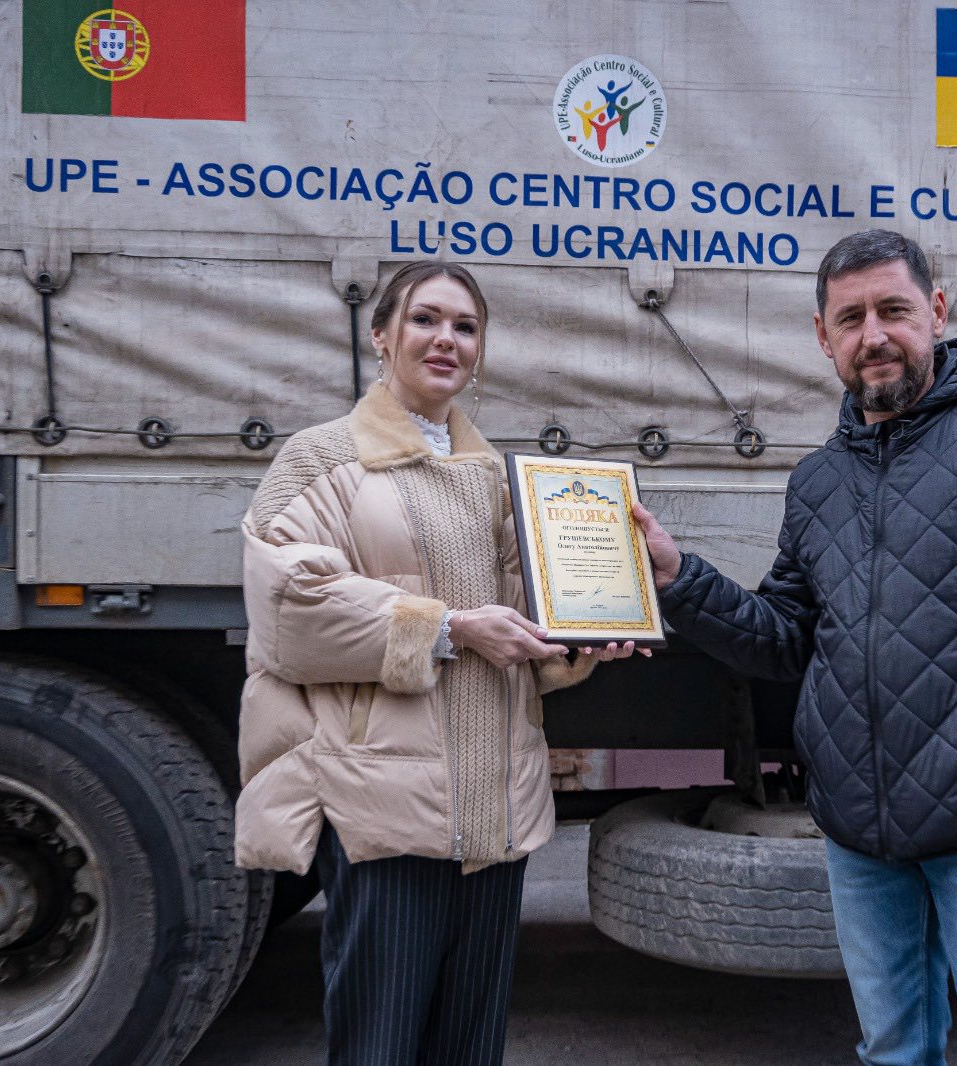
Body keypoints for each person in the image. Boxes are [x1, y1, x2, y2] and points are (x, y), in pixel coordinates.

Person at [633, 230, 957, 1065]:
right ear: (823, 336)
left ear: (936, 313)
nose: (873, 335)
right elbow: (784, 638)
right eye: (851, 318)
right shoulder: (819, 481)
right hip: (860, 832)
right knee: (891, 1050)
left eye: (894, 310)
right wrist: (677, 578)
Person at [234, 261, 641, 1065]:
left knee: (469, 1046)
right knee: (379, 1043)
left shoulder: (498, 478)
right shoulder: (320, 460)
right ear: (380, 336)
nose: (445, 339)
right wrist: (450, 628)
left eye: (465, 326)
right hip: (384, 804)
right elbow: (289, 607)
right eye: (425, 319)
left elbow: (524, 614)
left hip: (495, 806)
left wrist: (578, 638)